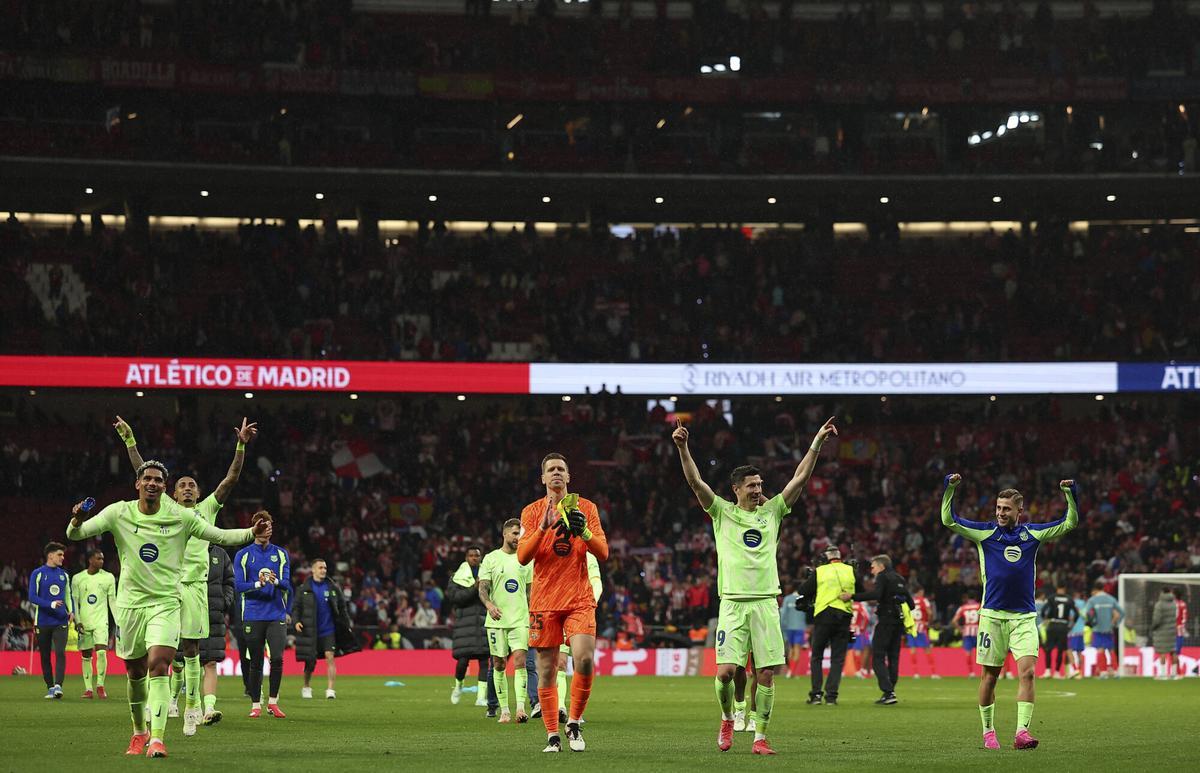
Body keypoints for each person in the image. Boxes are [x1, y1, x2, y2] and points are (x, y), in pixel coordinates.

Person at [66, 460, 266, 758]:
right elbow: (74, 535)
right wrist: (77, 519)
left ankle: (158, 738)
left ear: (163, 487)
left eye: (158, 480)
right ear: (137, 483)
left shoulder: (180, 517)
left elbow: (220, 536)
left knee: (159, 664)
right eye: (147, 478)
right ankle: (139, 732)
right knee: (135, 673)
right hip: (131, 606)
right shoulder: (119, 512)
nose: (152, 483)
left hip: (166, 604)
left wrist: (252, 532)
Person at [674, 415, 837, 755]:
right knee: (725, 673)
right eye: (751, 485)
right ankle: (727, 717)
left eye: (760, 484)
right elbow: (695, 482)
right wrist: (683, 447)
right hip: (732, 603)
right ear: (736, 489)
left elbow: (800, 478)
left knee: (766, 675)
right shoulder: (721, 512)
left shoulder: (773, 511)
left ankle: (760, 738)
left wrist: (817, 442)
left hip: (765, 603)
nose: (758, 489)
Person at [115, 415, 255, 736]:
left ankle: (192, 708)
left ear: (198, 492)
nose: (188, 488)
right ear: (173, 494)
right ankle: (162, 699)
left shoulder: (206, 509)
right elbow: (141, 470)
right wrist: (130, 441)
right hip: (166, 587)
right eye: (183, 485)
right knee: (160, 650)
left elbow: (231, 479)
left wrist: (240, 446)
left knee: (191, 650)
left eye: (193, 485)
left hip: (195, 589)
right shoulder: (167, 508)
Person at [940, 473, 1078, 751]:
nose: (1001, 513)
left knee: (1027, 673)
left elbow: (1069, 523)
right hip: (992, 617)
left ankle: (1021, 733)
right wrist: (950, 487)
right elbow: (949, 520)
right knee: (990, 677)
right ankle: (988, 732)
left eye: (1006, 509)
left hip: (1024, 618)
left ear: (1019, 510)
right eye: (998, 508)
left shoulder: (1032, 535)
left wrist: (1069, 495)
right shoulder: (985, 533)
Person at [517, 452, 608, 753]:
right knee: (546, 670)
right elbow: (522, 557)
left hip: (579, 598)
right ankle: (552, 735)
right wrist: (543, 527)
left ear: (569, 476)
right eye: (551, 470)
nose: (556, 473)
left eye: (561, 469)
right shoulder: (530, 512)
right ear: (543, 478)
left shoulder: (587, 508)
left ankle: (575, 722)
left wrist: (584, 531)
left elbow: (604, 553)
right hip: (544, 601)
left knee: (583, 658)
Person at [234, 510, 291, 718]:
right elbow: (239, 586)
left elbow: (286, 584)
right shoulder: (243, 555)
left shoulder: (282, 554)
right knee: (256, 661)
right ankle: (256, 704)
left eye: (269, 525)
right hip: (252, 613)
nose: (267, 528)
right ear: (255, 526)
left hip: (276, 614)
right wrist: (259, 583)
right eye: (263, 524)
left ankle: (273, 702)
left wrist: (274, 581)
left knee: (277, 658)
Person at [479, 519, 533, 723]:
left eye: (520, 534)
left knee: (520, 662)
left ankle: (520, 708)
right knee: (499, 664)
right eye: (515, 533)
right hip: (496, 620)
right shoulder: (491, 559)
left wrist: (533, 615)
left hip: (520, 619)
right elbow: (483, 588)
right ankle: (504, 710)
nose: (518, 537)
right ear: (504, 534)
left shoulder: (526, 559)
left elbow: (530, 592)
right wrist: (489, 605)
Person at [843, 555, 911, 705]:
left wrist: (852, 596)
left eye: (873, 567)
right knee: (894, 657)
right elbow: (910, 603)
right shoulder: (900, 578)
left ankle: (888, 691)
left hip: (886, 621)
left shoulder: (882, 577)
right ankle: (891, 691)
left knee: (878, 657)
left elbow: (876, 595)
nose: (872, 570)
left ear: (881, 566)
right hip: (898, 623)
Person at [802, 544, 858, 706]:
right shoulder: (850, 571)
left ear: (826, 557)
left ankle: (816, 695)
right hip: (844, 616)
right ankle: (831, 697)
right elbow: (859, 590)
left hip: (824, 615)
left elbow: (803, 590)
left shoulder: (820, 571)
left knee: (817, 656)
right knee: (838, 658)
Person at [445, 545, 497, 713]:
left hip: (483, 621)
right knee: (462, 660)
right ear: (466, 557)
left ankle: (481, 697)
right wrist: (474, 588)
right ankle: (459, 685)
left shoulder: (487, 574)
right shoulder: (457, 577)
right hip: (464, 624)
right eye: (471, 555)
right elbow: (455, 598)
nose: (475, 558)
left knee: (484, 660)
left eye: (477, 555)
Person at [293, 558, 353, 699]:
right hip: (311, 630)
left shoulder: (332, 588)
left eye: (325, 568)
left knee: (330, 657)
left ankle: (330, 690)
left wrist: (346, 625)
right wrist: (296, 622)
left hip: (328, 629)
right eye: (320, 568)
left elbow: (342, 607)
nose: (323, 570)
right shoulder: (304, 589)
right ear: (313, 570)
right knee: (310, 661)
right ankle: (306, 686)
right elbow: (296, 608)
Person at [29, 541, 73, 699]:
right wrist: (51, 604)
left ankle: (58, 686)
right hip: (42, 621)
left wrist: (71, 610)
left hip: (60, 621)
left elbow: (68, 595)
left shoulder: (64, 575)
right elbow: (32, 597)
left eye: (63, 554)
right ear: (50, 555)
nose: (63, 557)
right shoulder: (38, 573)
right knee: (45, 656)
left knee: (60, 652)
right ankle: (49, 687)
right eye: (60, 554)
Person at [72, 548, 117, 699]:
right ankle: (88, 689)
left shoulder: (109, 578)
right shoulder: (78, 578)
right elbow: (75, 602)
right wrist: (77, 621)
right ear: (90, 560)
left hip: (101, 621)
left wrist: (118, 622)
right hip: (84, 622)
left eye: (102, 559)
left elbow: (112, 601)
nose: (102, 561)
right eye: (98, 559)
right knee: (86, 656)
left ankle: (100, 686)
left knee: (102, 651)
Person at [199, 543, 234, 725]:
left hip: (213, 615)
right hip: (188, 612)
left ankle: (209, 709)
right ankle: (186, 704)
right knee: (184, 663)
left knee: (211, 662)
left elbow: (229, 581)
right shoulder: (184, 545)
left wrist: (224, 602)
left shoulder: (220, 554)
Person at [1082, 580, 1124, 679]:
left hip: (1097, 629)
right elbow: (1122, 612)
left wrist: (1090, 622)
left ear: (1095, 590)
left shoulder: (1092, 600)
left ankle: (1103, 672)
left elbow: (1084, 613)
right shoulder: (1111, 599)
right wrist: (1115, 623)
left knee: (1100, 650)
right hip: (1109, 628)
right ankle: (1115, 671)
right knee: (1111, 650)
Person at [1038, 584, 1077, 679]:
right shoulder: (1069, 599)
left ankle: (1047, 671)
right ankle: (1057, 672)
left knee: (1048, 649)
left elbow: (1043, 610)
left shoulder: (1052, 598)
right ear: (1064, 589)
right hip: (1063, 625)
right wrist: (1071, 625)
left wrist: (1045, 619)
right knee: (1060, 650)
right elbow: (1076, 613)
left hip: (1052, 624)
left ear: (1057, 589)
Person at [906, 583, 937, 678]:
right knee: (927, 648)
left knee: (912, 649)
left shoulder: (909, 601)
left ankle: (915, 673)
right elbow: (930, 613)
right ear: (919, 592)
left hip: (911, 627)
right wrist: (928, 622)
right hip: (921, 626)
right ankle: (933, 673)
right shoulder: (924, 600)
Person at [779, 581, 807, 680]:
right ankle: (792, 671)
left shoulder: (787, 599)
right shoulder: (804, 599)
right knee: (797, 650)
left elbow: (783, 616)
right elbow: (807, 615)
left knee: (790, 650)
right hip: (800, 627)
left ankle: (790, 672)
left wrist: (783, 629)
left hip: (789, 628)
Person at [951, 591, 982, 678]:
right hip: (978, 631)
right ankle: (984, 672)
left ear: (967, 598)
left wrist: (960, 629)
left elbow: (954, 621)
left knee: (968, 653)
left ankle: (971, 672)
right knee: (983, 653)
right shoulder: (979, 606)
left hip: (967, 631)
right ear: (975, 598)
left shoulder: (963, 607)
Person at [1150, 588, 1179, 679]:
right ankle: (1173, 674)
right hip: (1172, 630)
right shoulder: (1174, 603)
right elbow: (1176, 616)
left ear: (1162, 593)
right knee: (1173, 651)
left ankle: (1163, 674)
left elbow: (1157, 620)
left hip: (1161, 631)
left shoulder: (1159, 605)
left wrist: (1153, 627)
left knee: (1162, 651)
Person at [1067, 589, 1087, 678]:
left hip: (1072, 631)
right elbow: (1086, 616)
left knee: (1069, 650)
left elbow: (1071, 617)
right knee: (1079, 652)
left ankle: (1075, 670)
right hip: (1081, 631)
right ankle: (1080, 672)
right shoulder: (1083, 603)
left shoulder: (1070, 603)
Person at [1172, 588, 1189, 680]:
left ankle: (1175, 673)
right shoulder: (1183, 603)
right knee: (1175, 653)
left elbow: (1174, 617)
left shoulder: (1174, 604)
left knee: (1174, 652)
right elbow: (1184, 618)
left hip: (1174, 631)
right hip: (1180, 631)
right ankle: (1177, 672)